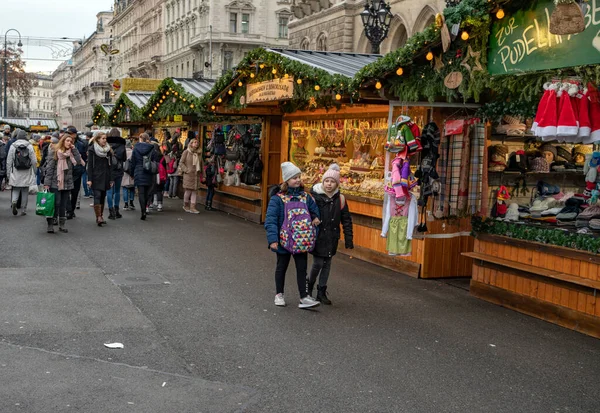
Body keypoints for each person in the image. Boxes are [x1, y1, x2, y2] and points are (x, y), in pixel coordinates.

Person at [264, 161, 321, 309]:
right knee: (281, 267)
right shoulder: (277, 199)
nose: (297, 180)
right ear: (286, 180)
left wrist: (315, 218)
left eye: (299, 177)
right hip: (283, 240)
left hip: (302, 240)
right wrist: (272, 240)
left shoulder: (306, 197)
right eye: (294, 177)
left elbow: (315, 212)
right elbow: (271, 220)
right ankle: (279, 294)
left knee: (302, 268)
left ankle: (304, 297)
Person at [307, 164, 354, 304]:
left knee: (327, 263)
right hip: (318, 236)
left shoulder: (340, 199)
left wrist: (348, 239)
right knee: (318, 263)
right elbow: (307, 216)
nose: (329, 184)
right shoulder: (314, 197)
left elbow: (346, 220)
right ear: (322, 182)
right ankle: (309, 286)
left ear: (337, 184)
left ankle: (321, 291)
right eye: (327, 181)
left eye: (332, 181)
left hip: (332, 237)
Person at [44, 134, 83, 233]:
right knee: (55, 203)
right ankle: (50, 224)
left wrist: (74, 149)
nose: (69, 143)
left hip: (67, 181)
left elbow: (78, 161)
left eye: (71, 141)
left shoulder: (71, 153)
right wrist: (47, 183)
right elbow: (49, 168)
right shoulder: (55, 152)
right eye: (67, 141)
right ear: (63, 141)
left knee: (63, 204)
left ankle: (62, 224)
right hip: (55, 181)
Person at [6, 129, 37, 216]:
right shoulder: (29, 146)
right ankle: (23, 209)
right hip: (27, 171)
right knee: (25, 190)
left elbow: (9, 161)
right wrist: (35, 171)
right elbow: (34, 161)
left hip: (15, 171)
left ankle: (14, 202)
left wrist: (8, 174)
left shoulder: (13, 146)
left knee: (15, 188)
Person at [130, 133, 160, 220]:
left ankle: (143, 211)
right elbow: (156, 159)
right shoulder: (152, 148)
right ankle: (146, 207)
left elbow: (133, 162)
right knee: (147, 192)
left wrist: (132, 174)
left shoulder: (135, 148)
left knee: (141, 193)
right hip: (149, 171)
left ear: (140, 139)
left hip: (139, 171)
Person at [87, 132, 114, 226]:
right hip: (96, 176)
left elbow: (111, 165)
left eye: (105, 138)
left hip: (106, 175)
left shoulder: (108, 150)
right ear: (98, 139)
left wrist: (111, 179)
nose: (105, 140)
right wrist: (89, 179)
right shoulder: (92, 150)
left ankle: (101, 215)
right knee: (97, 195)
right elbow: (89, 165)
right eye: (103, 138)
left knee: (103, 196)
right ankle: (98, 217)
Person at [66, 127, 87, 219]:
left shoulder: (80, 144)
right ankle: (68, 209)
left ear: (74, 134)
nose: (69, 135)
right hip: (66, 171)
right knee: (66, 192)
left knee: (75, 192)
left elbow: (83, 158)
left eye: (70, 133)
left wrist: (81, 167)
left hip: (77, 171)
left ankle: (71, 210)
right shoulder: (64, 143)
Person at [106, 128, 126, 219]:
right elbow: (124, 158)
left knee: (109, 191)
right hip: (118, 170)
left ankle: (111, 211)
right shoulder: (122, 145)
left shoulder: (106, 144)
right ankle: (117, 210)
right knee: (117, 191)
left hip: (109, 170)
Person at [179, 138, 203, 214]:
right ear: (191, 144)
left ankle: (193, 207)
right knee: (188, 191)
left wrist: (204, 175)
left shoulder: (199, 153)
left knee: (194, 191)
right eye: (195, 142)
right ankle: (186, 205)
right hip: (188, 175)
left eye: (197, 142)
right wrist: (186, 170)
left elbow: (201, 165)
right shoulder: (186, 152)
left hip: (196, 175)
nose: (196, 143)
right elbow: (181, 163)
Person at [122, 139, 135, 211]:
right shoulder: (133, 152)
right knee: (132, 188)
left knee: (125, 188)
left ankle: (126, 204)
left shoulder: (123, 152)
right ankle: (131, 203)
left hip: (124, 172)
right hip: (132, 172)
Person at [81, 131, 93, 198]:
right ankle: (91, 191)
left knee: (84, 177)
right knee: (90, 177)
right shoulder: (93, 143)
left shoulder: (83, 143)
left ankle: (86, 192)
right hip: (90, 161)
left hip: (84, 161)